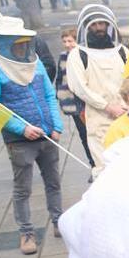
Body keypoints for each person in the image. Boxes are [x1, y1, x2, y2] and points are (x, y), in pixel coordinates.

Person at [0, 16, 65, 254]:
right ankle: (26, 233)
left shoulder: (34, 64)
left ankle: (60, 222)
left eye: (25, 42)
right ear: (4, 43)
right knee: (22, 189)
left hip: (47, 135)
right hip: (20, 142)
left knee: (53, 182)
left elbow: (49, 95)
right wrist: (21, 128)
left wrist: (56, 126)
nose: (23, 46)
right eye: (18, 43)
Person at [67, 3, 129, 179]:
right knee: (105, 169)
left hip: (126, 116)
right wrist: (108, 106)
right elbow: (79, 88)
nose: (98, 28)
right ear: (86, 27)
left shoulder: (122, 51)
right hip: (98, 119)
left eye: (102, 24)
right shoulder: (78, 55)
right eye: (93, 24)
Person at [55, 27, 95, 167]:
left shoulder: (84, 56)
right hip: (72, 103)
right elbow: (60, 78)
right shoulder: (63, 56)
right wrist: (60, 95)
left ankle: (99, 162)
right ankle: (93, 164)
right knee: (84, 136)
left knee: (94, 134)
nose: (67, 44)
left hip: (87, 103)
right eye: (64, 41)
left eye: (70, 41)